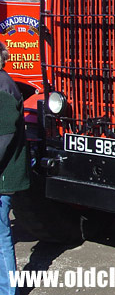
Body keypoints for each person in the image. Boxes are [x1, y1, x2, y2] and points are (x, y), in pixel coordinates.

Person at [0, 41, 30, 294]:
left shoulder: (3, 88)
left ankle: (8, 291)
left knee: (1, 240)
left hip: (2, 179)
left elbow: (3, 137)